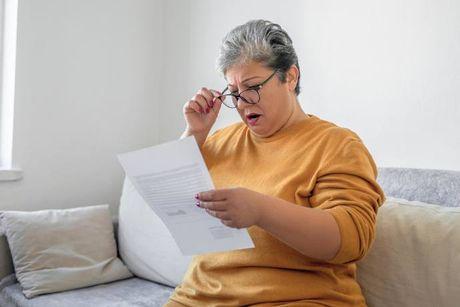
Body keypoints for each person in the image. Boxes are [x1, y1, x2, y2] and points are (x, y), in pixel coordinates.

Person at [165, 19, 385, 307]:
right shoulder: (218, 141)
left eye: (252, 87)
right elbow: (172, 203)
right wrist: (194, 134)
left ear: (290, 77)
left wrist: (260, 210)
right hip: (198, 298)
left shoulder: (337, 145)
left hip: (297, 299)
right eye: (233, 92)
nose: (242, 103)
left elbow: (352, 240)